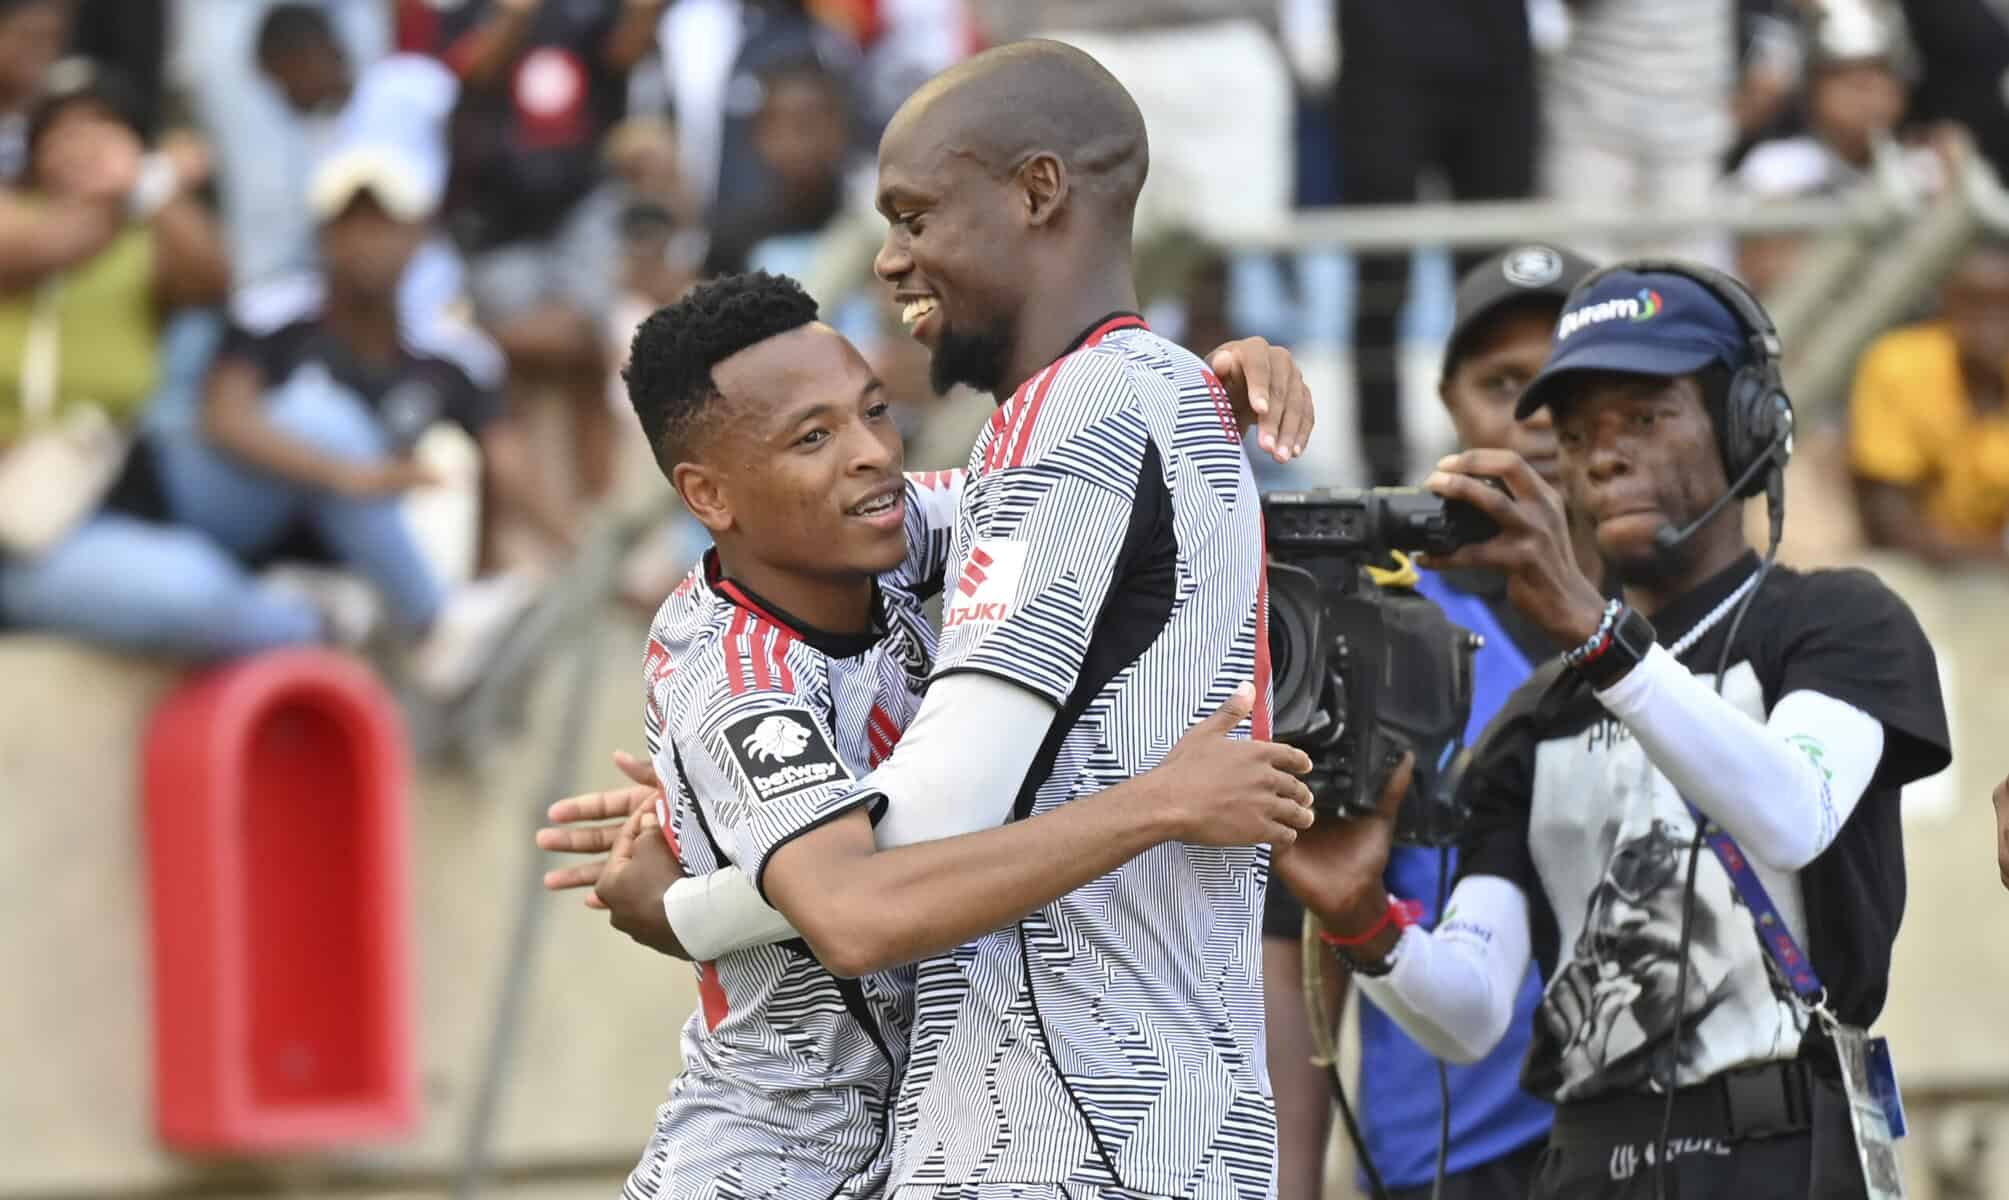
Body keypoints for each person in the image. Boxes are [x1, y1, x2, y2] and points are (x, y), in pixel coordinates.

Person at [551, 39, 1314, 1200]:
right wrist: (690, 898)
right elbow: (857, 906)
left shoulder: (917, 517)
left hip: (1011, 1139)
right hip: (765, 1172)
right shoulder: (735, 670)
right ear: (707, 496)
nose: (869, 453)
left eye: (870, 412)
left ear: (1038, 191)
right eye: (812, 438)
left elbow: (1071, 491)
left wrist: (1201, 384)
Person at [1276, 260, 1952, 1198]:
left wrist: (1598, 638)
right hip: (1588, 1165)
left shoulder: (1836, 622)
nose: (1601, 454)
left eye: (1643, 417)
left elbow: (1793, 815)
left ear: (1748, 424)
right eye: (1578, 432)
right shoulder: (1534, 716)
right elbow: (1471, 1012)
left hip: (1783, 1157)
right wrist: (1364, 924)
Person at [1263, 243, 1598, 1200]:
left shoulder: (1669, 628)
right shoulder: (1375, 626)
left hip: (1651, 1141)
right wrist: (1293, 1182)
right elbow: (1294, 934)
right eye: (1502, 385)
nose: (1537, 417)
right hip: (1448, 1164)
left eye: (1564, 386)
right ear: (1449, 402)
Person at [1849, 241, 2009, 567]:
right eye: (1976, 304)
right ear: (1948, 302)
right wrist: (1990, 557)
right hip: (1914, 564)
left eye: (2005, 307)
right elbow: (1890, 521)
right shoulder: (1901, 365)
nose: (1993, 324)